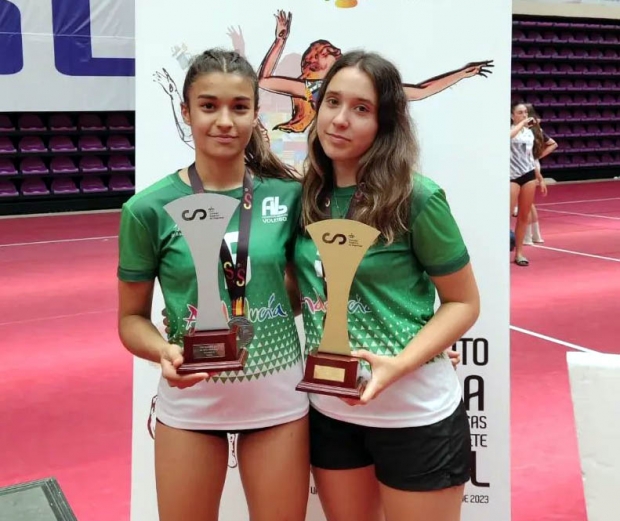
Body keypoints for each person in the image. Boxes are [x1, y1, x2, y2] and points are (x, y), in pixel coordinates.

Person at [117, 49, 310, 521]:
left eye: (239, 107)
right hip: (191, 399)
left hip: (277, 399)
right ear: (186, 112)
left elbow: (310, 292)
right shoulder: (146, 209)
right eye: (208, 106)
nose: (224, 121)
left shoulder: (289, 197)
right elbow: (130, 320)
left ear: (255, 113)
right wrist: (163, 352)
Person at [293, 50, 481, 521]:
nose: (340, 119)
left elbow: (463, 303)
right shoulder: (306, 196)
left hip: (415, 413)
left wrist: (398, 364)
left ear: (386, 122)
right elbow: (302, 292)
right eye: (332, 101)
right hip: (331, 412)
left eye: (362, 108)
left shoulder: (416, 197)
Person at [258, 10, 493, 133]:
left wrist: (463, 73)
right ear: (315, 62)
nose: (337, 50)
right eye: (329, 50)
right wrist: (280, 40)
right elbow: (265, 80)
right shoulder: (310, 88)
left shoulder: (366, 82)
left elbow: (420, 91)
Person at [510, 102, 547, 266]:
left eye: (525, 112)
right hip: (511, 176)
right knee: (507, 214)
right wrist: (521, 124)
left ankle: (519, 253)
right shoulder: (511, 130)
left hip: (528, 174)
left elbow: (531, 157)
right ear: (512, 115)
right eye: (520, 112)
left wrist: (539, 176)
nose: (524, 115)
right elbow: (508, 137)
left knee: (524, 216)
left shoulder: (529, 133)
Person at [523, 103, 557, 245]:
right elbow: (553, 143)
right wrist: (538, 157)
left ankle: (528, 236)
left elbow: (553, 144)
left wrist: (536, 159)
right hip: (532, 162)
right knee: (530, 203)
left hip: (528, 164)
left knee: (526, 203)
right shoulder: (537, 128)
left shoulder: (527, 131)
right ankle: (535, 235)